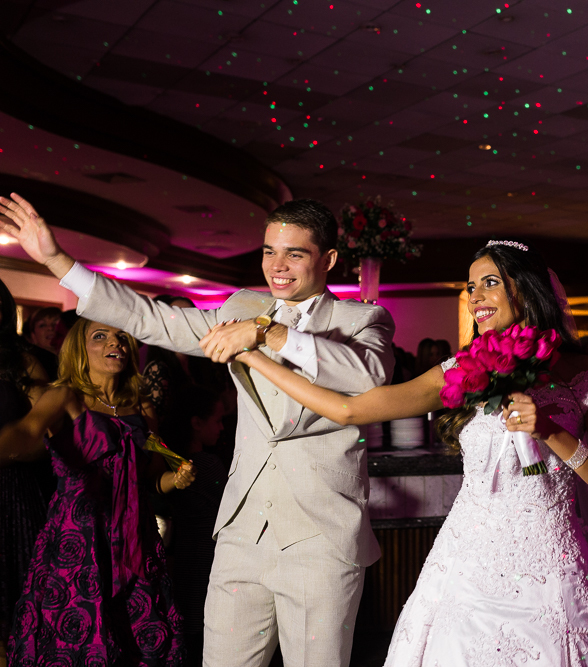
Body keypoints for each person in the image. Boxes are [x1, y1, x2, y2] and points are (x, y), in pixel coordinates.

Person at [219, 240, 588, 664]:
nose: (475, 296)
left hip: (552, 573)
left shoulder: (583, 375)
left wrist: (550, 432)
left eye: (490, 282)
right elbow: (348, 409)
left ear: (526, 289)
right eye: (471, 286)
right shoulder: (464, 370)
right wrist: (255, 356)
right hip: (465, 568)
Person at [0, 193, 395, 667]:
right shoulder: (242, 305)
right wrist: (57, 261)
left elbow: (368, 376)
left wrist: (268, 333)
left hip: (320, 538)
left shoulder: (361, 320)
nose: (277, 266)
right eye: (269, 251)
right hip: (241, 533)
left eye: (295, 254)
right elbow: (149, 318)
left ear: (328, 259)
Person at [0, 318, 196, 666]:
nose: (114, 343)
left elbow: (151, 478)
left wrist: (175, 480)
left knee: (138, 638)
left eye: (121, 336)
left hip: (135, 538)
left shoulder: (142, 407)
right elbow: (29, 431)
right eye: (100, 336)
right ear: (80, 348)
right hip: (80, 539)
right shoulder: (65, 396)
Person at [0, 278, 50, 667]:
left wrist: (14, 448)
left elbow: (46, 432)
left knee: (18, 605)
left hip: (12, 491)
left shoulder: (22, 361)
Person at [163, 386, 229, 667]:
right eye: (217, 420)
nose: (222, 427)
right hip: (207, 559)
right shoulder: (205, 464)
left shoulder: (169, 462)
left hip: (184, 557)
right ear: (197, 423)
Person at [23, 307, 62, 380]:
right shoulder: (29, 364)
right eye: (42, 325)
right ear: (33, 335)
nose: (50, 328)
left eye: (56, 323)